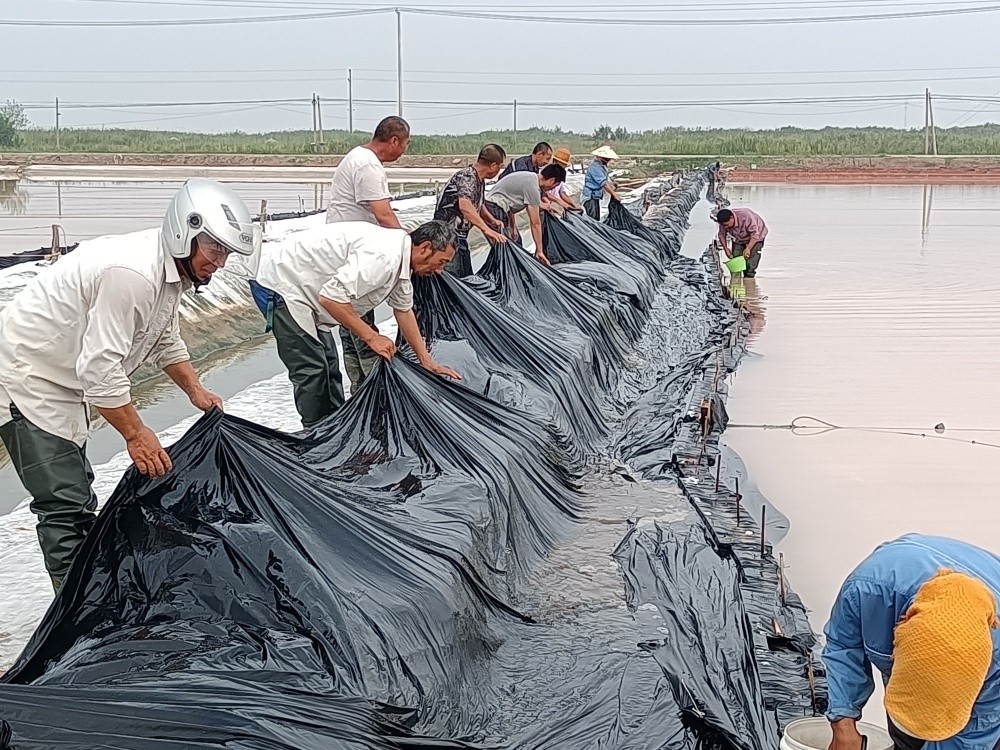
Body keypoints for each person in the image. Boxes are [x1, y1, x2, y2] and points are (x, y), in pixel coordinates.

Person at [0, 178, 257, 591]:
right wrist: (136, 434)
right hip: (29, 376)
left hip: (66, 377)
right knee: (64, 504)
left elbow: (164, 337)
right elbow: (100, 369)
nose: (220, 263)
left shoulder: (170, 270)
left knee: (76, 492)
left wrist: (195, 390)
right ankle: (74, 614)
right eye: (215, 250)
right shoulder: (133, 274)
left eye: (226, 252)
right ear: (186, 233)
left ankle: (87, 593)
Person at [251, 220, 461, 428]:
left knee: (329, 365)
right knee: (312, 370)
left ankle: (335, 425)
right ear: (425, 248)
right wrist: (372, 337)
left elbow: (403, 310)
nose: (440, 270)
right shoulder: (384, 258)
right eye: (441, 262)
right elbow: (331, 298)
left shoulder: (403, 263)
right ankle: (316, 435)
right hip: (281, 284)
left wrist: (426, 360)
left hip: (309, 288)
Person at [823, 534, 1000, 750]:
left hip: (992, 691)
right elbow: (844, 647)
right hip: (895, 581)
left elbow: (974, 735)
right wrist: (843, 723)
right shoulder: (865, 591)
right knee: (907, 734)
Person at [326, 115, 411, 395]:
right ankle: (376, 392)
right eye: (405, 144)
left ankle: (359, 391)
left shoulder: (358, 157)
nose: (404, 151)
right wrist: (407, 243)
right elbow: (383, 215)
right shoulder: (368, 165)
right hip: (353, 255)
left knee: (349, 329)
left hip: (342, 251)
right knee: (363, 330)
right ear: (394, 141)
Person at [433, 144, 507, 277]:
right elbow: (465, 205)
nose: (499, 170)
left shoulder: (479, 179)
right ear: (493, 166)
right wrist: (486, 230)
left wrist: (492, 220)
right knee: (452, 278)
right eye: (500, 166)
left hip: (460, 238)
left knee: (466, 277)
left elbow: (479, 204)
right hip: (447, 237)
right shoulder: (467, 176)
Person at [483, 164, 565, 266]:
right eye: (555, 186)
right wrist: (539, 250)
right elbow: (535, 223)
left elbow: (509, 203)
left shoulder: (529, 178)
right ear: (551, 181)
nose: (551, 189)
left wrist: (513, 227)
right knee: (507, 250)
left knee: (515, 245)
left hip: (495, 208)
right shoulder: (532, 187)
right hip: (494, 210)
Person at [714, 207, 768, 278]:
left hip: (756, 237)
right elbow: (721, 235)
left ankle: (749, 279)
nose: (726, 227)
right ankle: (736, 281)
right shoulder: (723, 223)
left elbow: (755, 235)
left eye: (727, 225)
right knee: (736, 260)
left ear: (732, 218)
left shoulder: (746, 217)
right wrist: (726, 248)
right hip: (739, 238)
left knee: (751, 264)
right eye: (724, 226)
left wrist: (748, 248)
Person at [582, 146, 622, 221]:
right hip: (590, 196)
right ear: (600, 157)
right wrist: (614, 194)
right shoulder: (595, 167)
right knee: (593, 219)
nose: (608, 161)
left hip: (595, 196)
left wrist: (612, 185)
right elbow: (603, 183)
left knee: (595, 218)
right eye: (606, 159)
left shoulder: (601, 166)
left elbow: (606, 179)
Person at [545, 147, 582, 212]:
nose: (563, 167)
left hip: (557, 203)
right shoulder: (547, 172)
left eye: (564, 165)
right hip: (548, 204)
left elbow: (562, 193)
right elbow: (545, 193)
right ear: (555, 161)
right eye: (562, 164)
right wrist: (562, 204)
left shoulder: (561, 174)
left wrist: (574, 205)